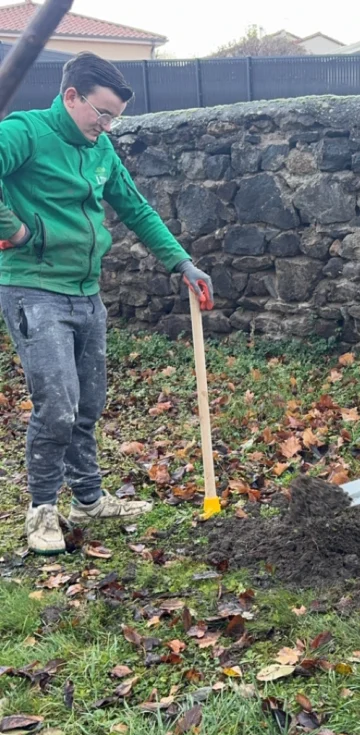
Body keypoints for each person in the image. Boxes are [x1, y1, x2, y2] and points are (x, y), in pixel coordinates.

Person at [0, 52, 213, 556]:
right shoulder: (25, 132)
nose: (108, 125)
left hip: (85, 293)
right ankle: (42, 509)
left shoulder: (100, 149)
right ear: (71, 96)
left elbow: (135, 208)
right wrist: (14, 228)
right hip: (33, 288)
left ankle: (90, 499)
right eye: (102, 113)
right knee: (57, 407)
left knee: (88, 403)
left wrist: (182, 263)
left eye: (115, 117)